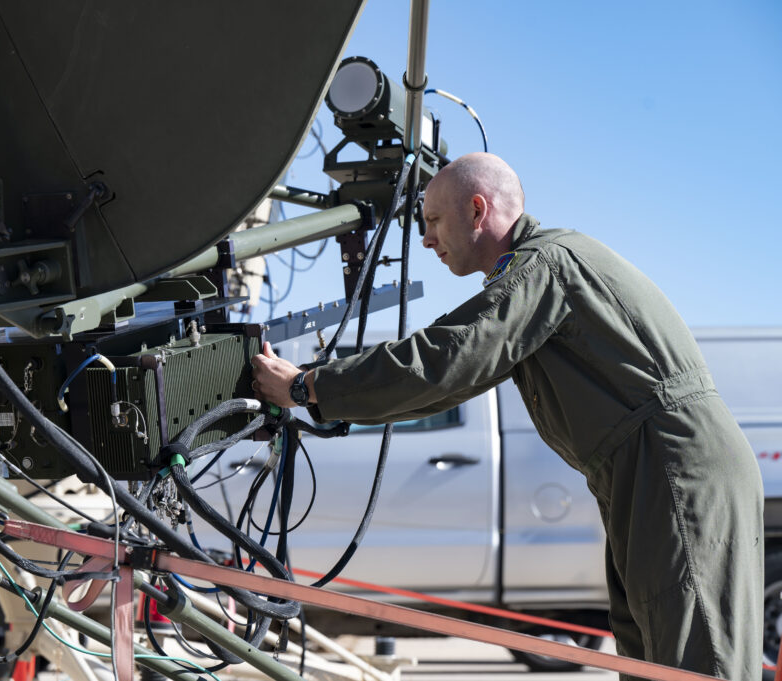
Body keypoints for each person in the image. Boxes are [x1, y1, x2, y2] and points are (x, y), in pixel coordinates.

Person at [251, 152, 763, 680]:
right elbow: (454, 381)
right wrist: (322, 396)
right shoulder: (543, 272)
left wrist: (306, 385)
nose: (426, 239)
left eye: (432, 220)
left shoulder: (542, 267)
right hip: (648, 471)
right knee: (650, 657)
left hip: (671, 469)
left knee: (695, 662)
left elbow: (447, 357)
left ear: (478, 210)